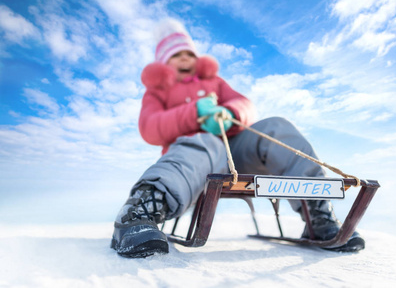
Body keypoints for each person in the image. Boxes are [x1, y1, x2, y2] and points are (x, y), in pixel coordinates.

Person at [111, 19, 364, 258]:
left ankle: (318, 215)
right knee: (205, 141)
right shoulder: (158, 92)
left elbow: (245, 105)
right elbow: (150, 127)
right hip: (194, 163)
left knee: (276, 127)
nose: (185, 58)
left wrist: (230, 112)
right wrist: (195, 112)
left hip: (236, 155)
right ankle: (141, 212)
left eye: (189, 53)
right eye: (176, 55)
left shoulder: (215, 83)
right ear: (165, 63)